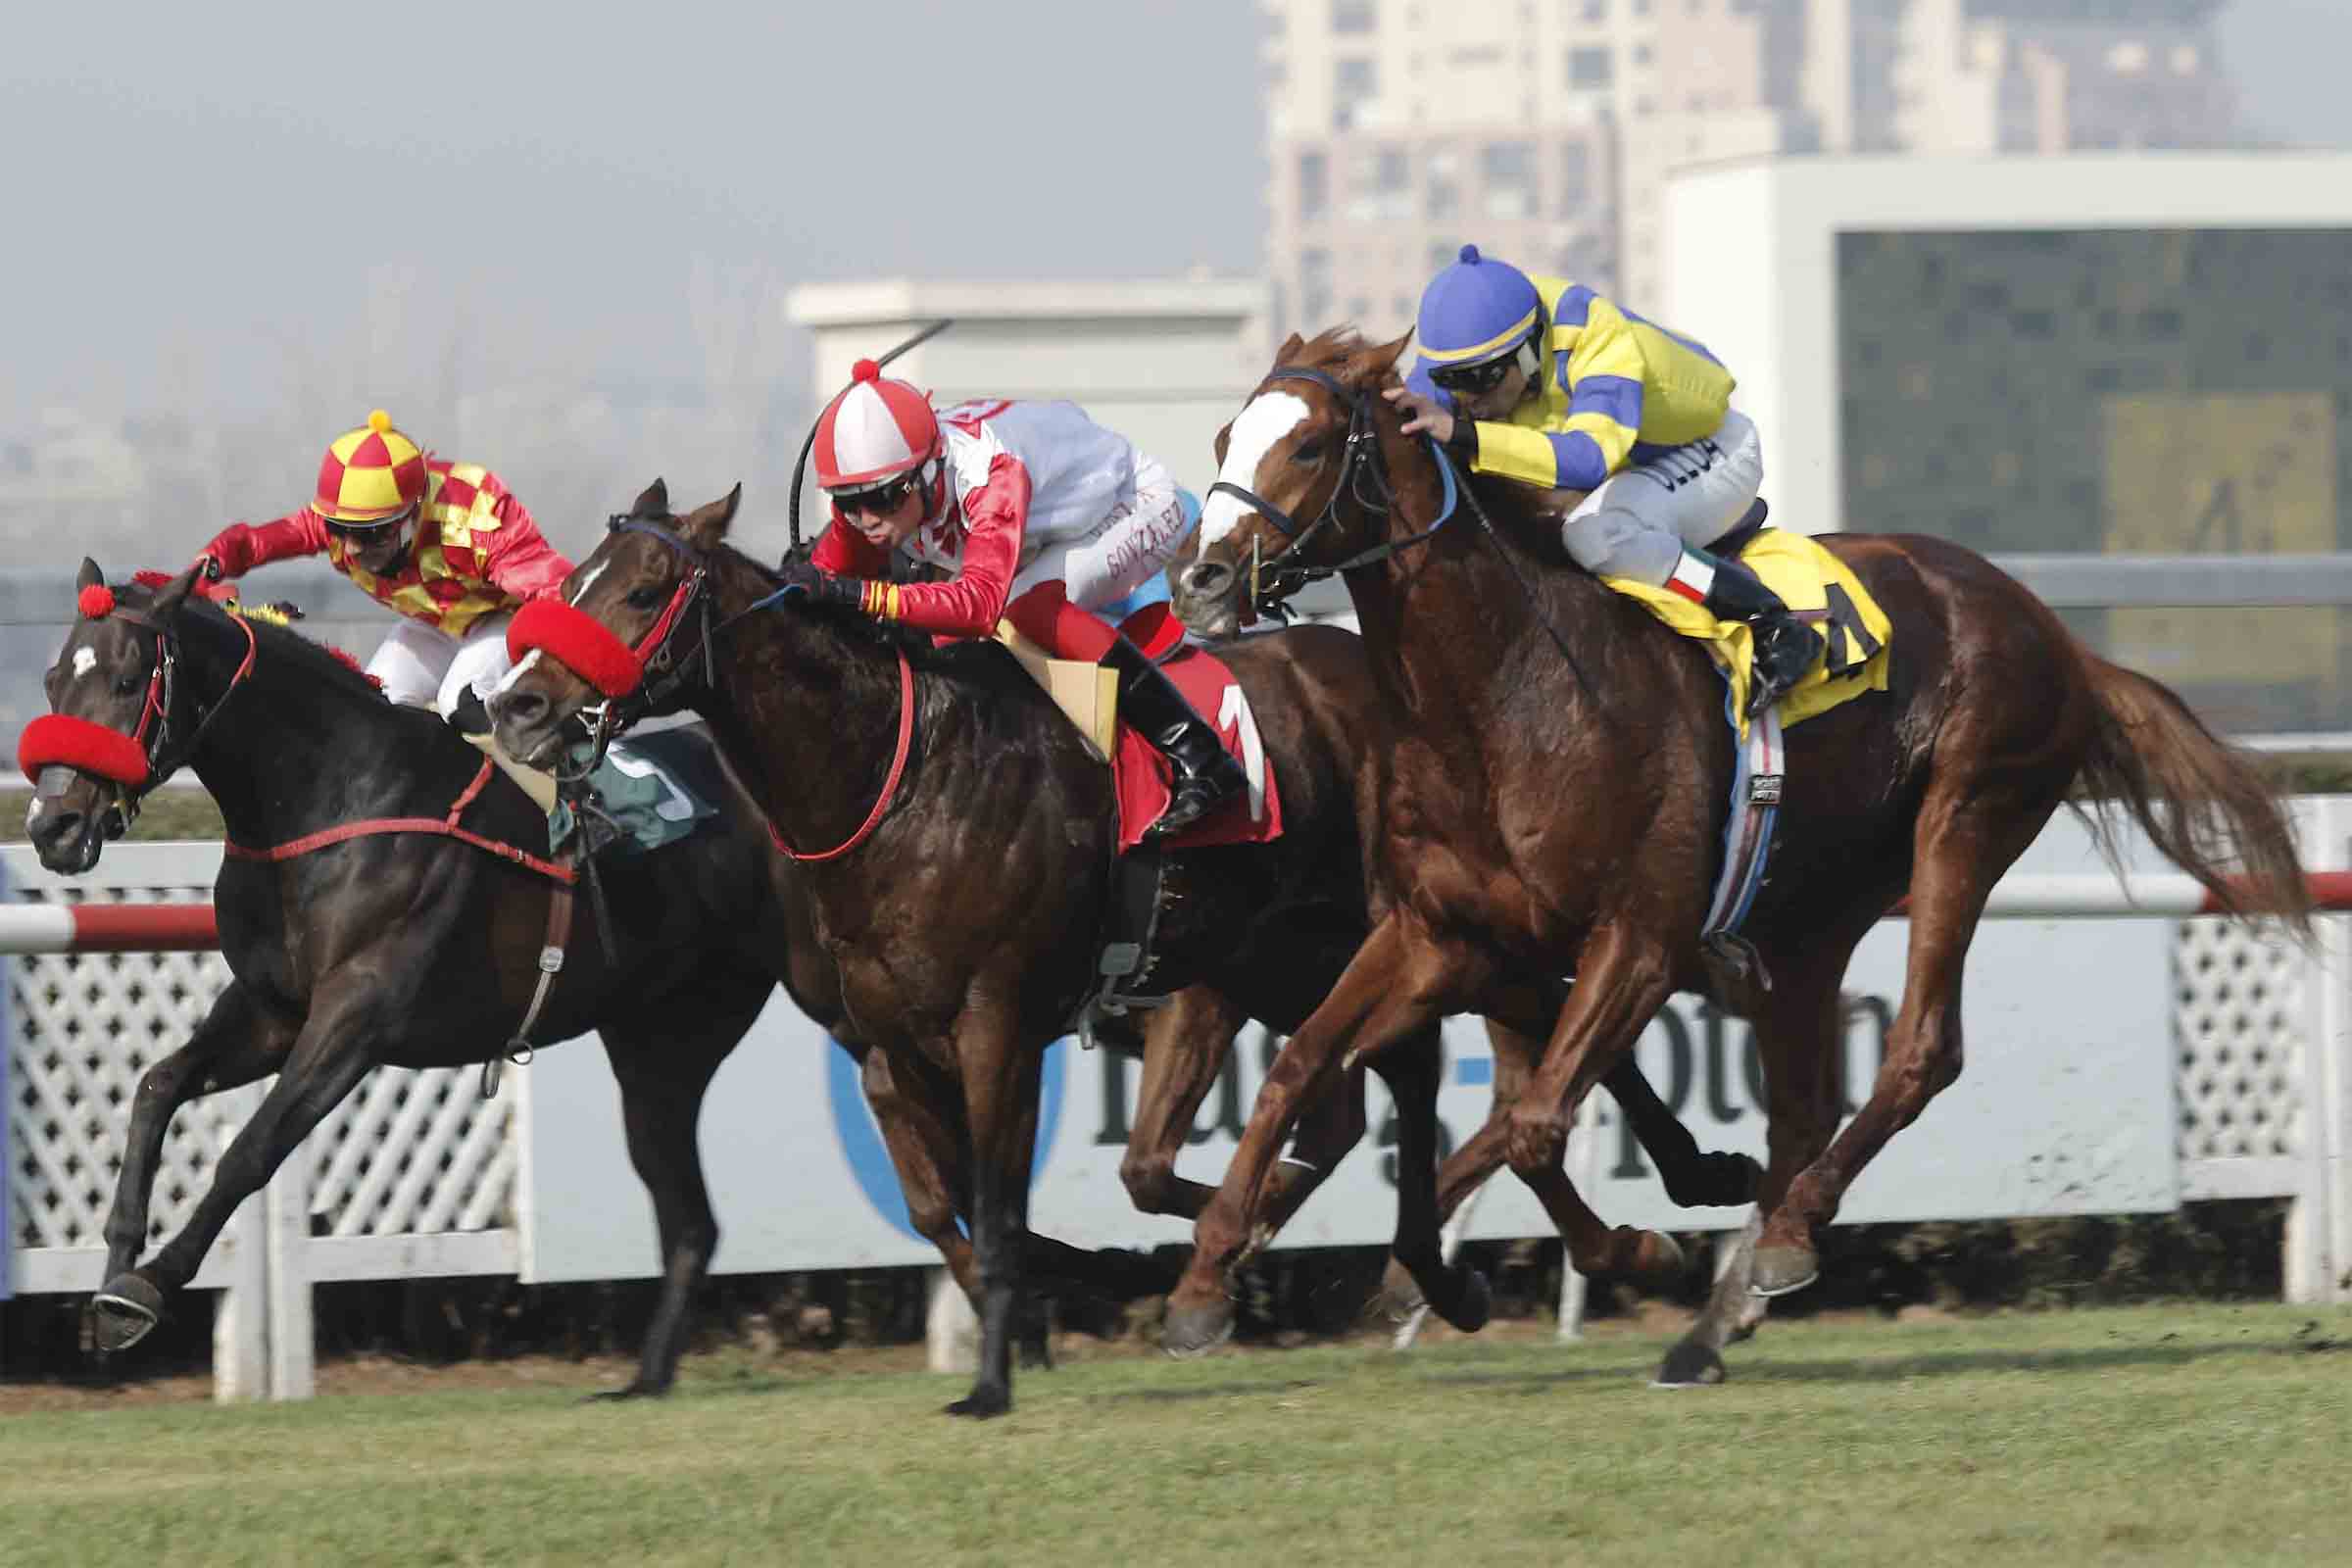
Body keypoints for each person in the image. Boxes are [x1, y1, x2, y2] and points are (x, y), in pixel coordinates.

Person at [782, 360, 1244, 836]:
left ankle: (1200, 754)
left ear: (926, 473)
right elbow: (823, 577)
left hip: (1137, 504)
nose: (866, 519)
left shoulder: (990, 474)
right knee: (942, 640)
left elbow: (979, 607)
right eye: (847, 503)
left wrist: (865, 595)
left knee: (1024, 608)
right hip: (1047, 530)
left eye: (882, 499)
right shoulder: (886, 485)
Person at [1384, 245, 1824, 716]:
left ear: (1529, 354)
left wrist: (1465, 433)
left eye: (1481, 379)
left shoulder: (1594, 332)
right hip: (1629, 470)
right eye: (1451, 380)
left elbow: (1589, 459)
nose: (1466, 398)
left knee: (1596, 533)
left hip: (1712, 452)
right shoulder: (1468, 348)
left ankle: (1771, 621)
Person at [193, 411, 572, 730]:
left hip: (503, 619)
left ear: (413, 512)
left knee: (461, 702)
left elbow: (559, 594)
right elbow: (258, 541)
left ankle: (555, 787)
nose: (352, 548)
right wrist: (210, 565)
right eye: (339, 529)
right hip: (435, 624)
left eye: (371, 533)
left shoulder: (476, 517)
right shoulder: (342, 522)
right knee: (373, 713)